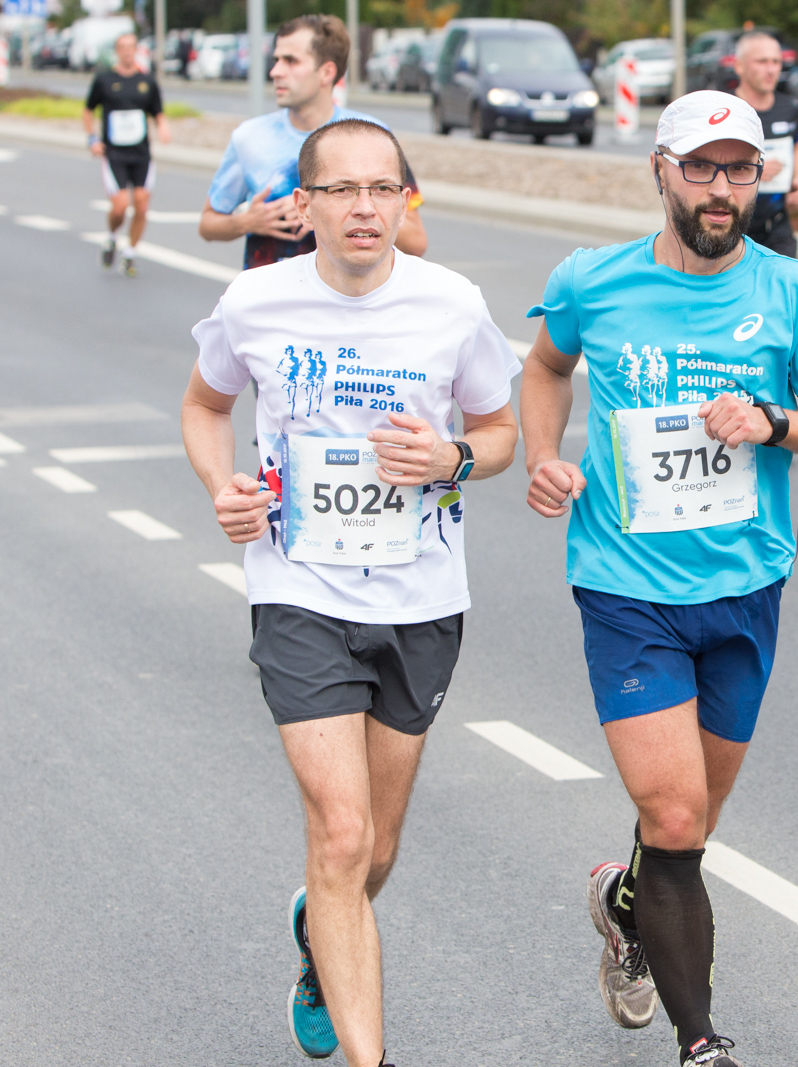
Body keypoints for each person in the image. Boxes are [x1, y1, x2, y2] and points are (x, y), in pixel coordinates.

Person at [521, 91, 798, 1067]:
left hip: (746, 585)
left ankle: (628, 902)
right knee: (670, 813)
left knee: (688, 827)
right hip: (626, 584)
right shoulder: (593, 280)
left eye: (741, 170)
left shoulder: (797, 292)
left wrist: (774, 421)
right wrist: (546, 453)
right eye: (703, 169)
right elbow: (543, 369)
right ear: (661, 170)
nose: (722, 190)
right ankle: (701, 1039)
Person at [181, 118, 520, 1067]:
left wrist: (452, 457)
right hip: (299, 590)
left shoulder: (453, 305)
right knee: (338, 829)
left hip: (421, 600)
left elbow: (498, 437)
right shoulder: (255, 302)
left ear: (404, 199)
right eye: (342, 190)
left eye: (384, 189)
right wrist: (224, 490)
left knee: (372, 851)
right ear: (307, 203)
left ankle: (319, 935)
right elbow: (205, 406)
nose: (365, 207)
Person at [199, 14, 427, 270]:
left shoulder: (373, 136)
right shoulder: (249, 137)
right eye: (276, 60)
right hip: (272, 302)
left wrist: (322, 212)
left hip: (350, 302)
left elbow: (416, 241)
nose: (275, 72)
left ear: (326, 72)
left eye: (291, 61)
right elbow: (207, 225)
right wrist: (247, 222)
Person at [83, 32, 171, 277]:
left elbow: (158, 112)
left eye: (131, 47)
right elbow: (87, 111)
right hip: (114, 153)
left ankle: (130, 254)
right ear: (117, 51)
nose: (127, 51)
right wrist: (92, 139)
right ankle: (112, 237)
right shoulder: (104, 80)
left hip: (141, 153)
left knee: (142, 206)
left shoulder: (147, 81)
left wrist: (163, 127)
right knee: (120, 207)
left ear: (136, 50)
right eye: (122, 47)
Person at [731, 31, 798, 258]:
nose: (771, 69)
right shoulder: (724, 109)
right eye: (762, 61)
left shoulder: (791, 108)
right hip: (732, 227)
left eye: (776, 62)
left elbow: (796, 146)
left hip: (776, 228)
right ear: (740, 66)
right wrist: (750, 170)